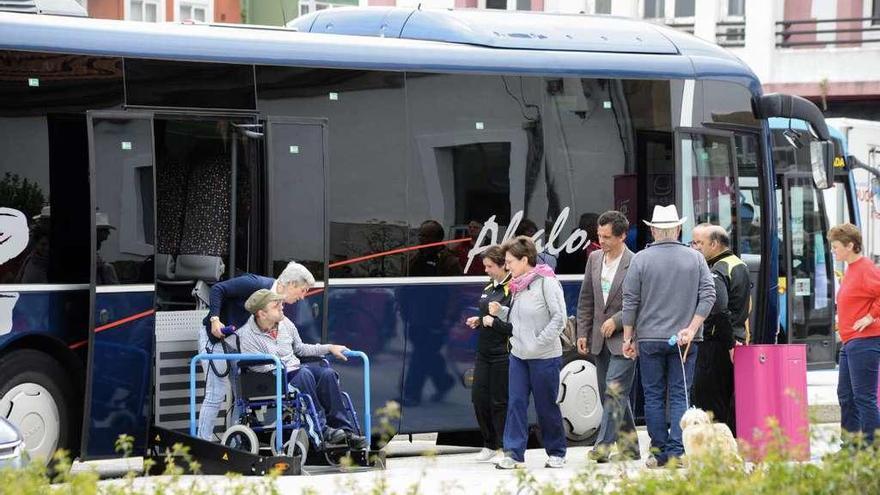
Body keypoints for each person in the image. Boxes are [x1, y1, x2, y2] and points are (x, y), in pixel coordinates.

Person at [621, 205, 715, 468]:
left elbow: (630, 301)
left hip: (649, 339)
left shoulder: (640, 259)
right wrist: (693, 327)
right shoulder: (695, 258)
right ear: (678, 229)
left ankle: (658, 451)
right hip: (685, 340)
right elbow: (709, 295)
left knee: (652, 395)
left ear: (652, 229)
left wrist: (628, 337)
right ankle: (677, 450)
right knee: (679, 394)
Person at [196, 261, 314, 441]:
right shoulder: (256, 284)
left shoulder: (278, 306)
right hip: (217, 338)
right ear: (291, 284)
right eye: (303, 290)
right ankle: (202, 443)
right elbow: (218, 289)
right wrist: (214, 320)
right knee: (217, 392)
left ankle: (238, 442)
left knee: (243, 395)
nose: (303, 297)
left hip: (239, 344)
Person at [238, 288, 367, 449]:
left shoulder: (285, 323)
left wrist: (329, 347)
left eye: (280, 302)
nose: (281, 306)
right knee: (304, 374)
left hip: (296, 371)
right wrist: (286, 368)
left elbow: (300, 349)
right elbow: (259, 368)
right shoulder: (246, 336)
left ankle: (344, 432)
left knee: (327, 374)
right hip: (272, 378)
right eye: (275, 305)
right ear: (262, 313)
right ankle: (322, 432)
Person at [489, 235, 567, 469]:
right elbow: (519, 317)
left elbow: (559, 318)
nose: (507, 266)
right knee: (516, 403)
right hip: (519, 355)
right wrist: (502, 312)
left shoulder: (547, 282)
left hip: (545, 357)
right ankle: (513, 453)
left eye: (511, 261)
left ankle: (557, 452)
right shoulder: (517, 284)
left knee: (546, 405)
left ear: (525, 260)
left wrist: (539, 342)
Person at [575, 210, 639, 463]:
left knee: (614, 391)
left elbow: (639, 302)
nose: (601, 241)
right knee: (611, 393)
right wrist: (582, 332)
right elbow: (586, 299)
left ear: (622, 236)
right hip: (598, 339)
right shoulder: (594, 259)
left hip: (626, 339)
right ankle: (631, 447)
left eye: (607, 237)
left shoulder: (636, 262)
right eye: (599, 235)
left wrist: (618, 320)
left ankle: (603, 446)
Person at [828, 223, 880, 447]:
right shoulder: (850, 269)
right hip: (850, 341)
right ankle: (851, 446)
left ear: (850, 245)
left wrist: (870, 316)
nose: (833, 250)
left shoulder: (866, 268)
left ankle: (873, 450)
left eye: (836, 246)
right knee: (846, 396)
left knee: (864, 398)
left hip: (865, 341)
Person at [400, 220, 458, 406]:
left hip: (437, 317)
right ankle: (443, 381)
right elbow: (405, 285)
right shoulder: (416, 258)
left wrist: (449, 318)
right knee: (427, 352)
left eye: (425, 235)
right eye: (420, 235)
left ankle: (411, 394)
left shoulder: (448, 261)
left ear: (436, 238)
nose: (421, 238)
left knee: (421, 354)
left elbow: (456, 293)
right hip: (416, 315)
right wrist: (402, 306)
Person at [690, 224, 741, 434]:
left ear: (714, 244)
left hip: (716, 344)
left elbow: (719, 310)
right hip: (730, 339)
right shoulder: (737, 263)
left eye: (699, 243)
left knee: (708, 401)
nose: (694, 247)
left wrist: (729, 344)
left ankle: (715, 450)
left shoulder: (718, 269)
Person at [465, 245, 513, 462]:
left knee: (499, 401)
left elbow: (515, 325)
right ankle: (489, 443)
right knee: (478, 398)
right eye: (485, 266)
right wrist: (479, 321)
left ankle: (503, 446)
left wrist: (494, 323)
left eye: (490, 266)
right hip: (483, 352)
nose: (486, 270)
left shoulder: (513, 288)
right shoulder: (489, 287)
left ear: (504, 265)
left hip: (503, 353)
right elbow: (487, 315)